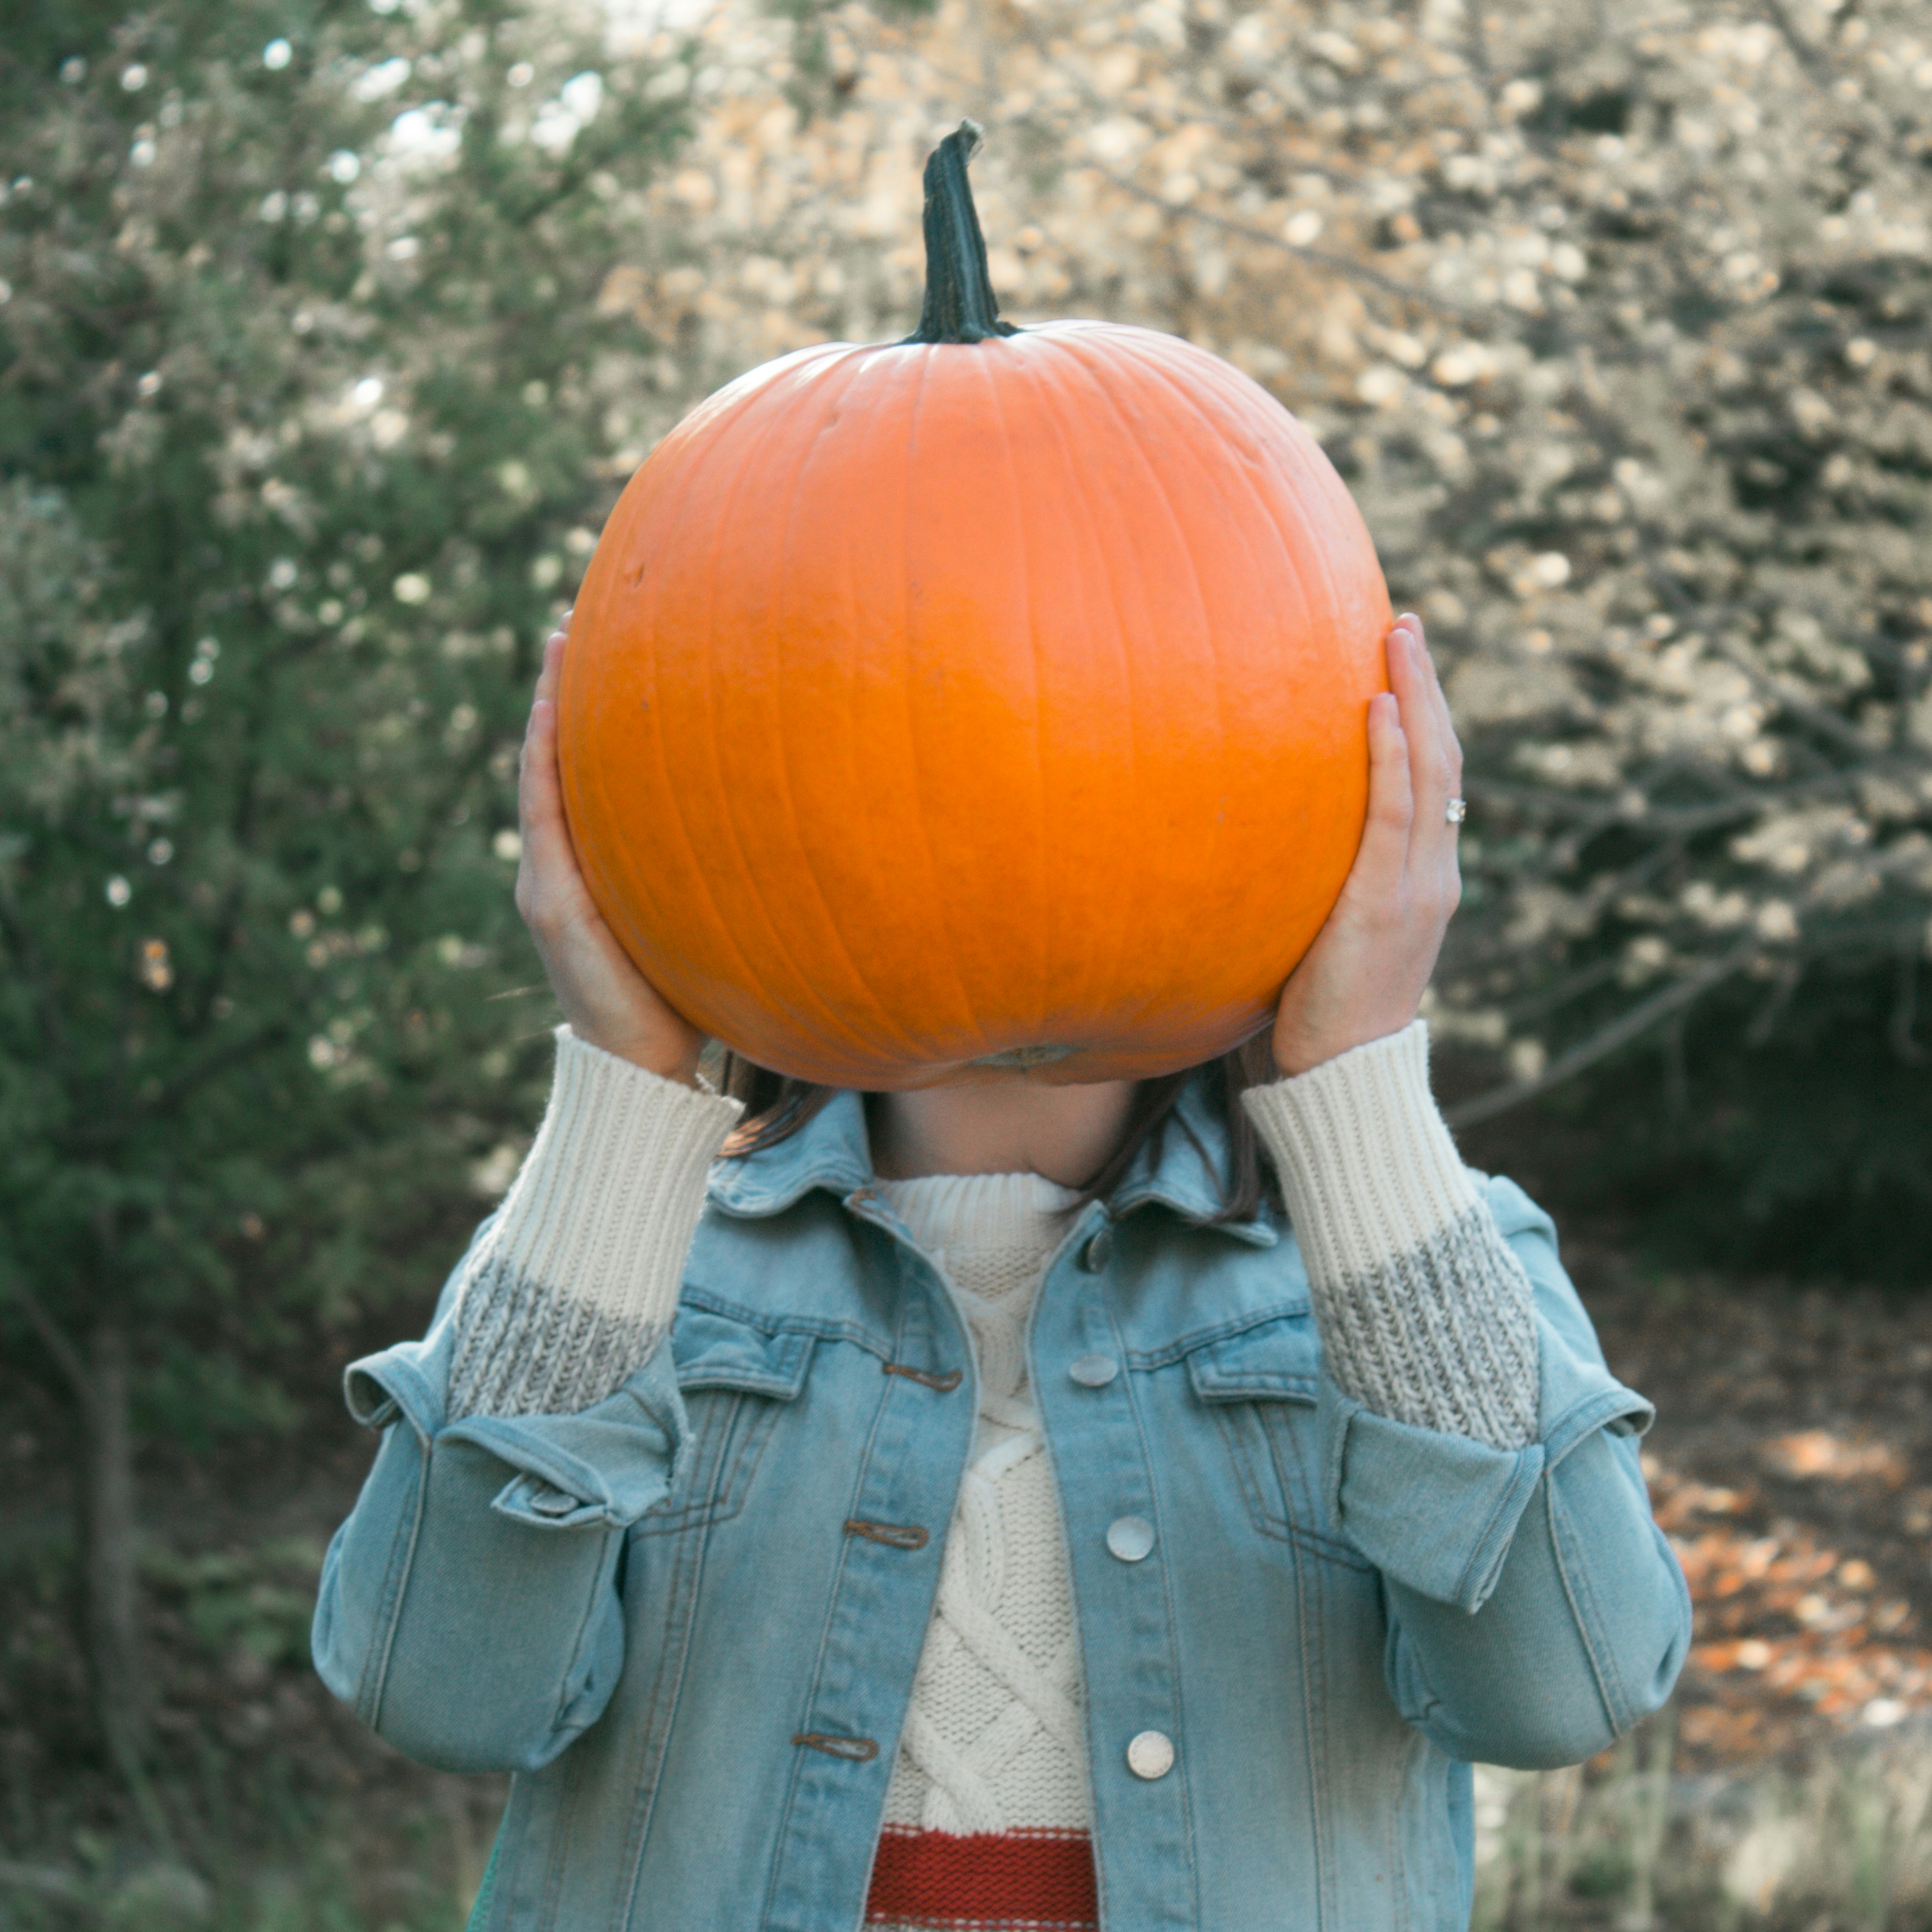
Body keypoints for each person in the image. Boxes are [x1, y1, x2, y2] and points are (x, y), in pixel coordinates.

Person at [313, 610, 1689, 1932]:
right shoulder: (608, 1255)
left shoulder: (1420, 1260)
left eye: (1085, 743)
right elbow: (442, 1691)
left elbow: (1560, 1688)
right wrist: (624, 1081)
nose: (991, 807)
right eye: (908, 743)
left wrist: (1352, 1075)